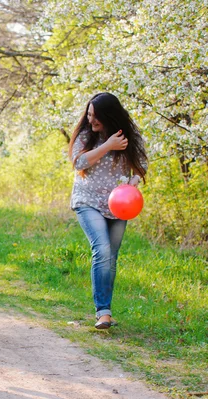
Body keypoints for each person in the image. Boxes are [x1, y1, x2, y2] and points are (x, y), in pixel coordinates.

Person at [68, 92, 148, 330]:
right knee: (101, 249)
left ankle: (106, 312)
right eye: (89, 114)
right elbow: (78, 163)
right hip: (88, 200)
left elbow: (141, 163)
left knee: (111, 258)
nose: (91, 121)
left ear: (110, 117)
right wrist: (107, 145)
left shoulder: (130, 137)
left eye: (97, 117)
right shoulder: (85, 136)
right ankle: (103, 312)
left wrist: (134, 182)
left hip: (118, 204)